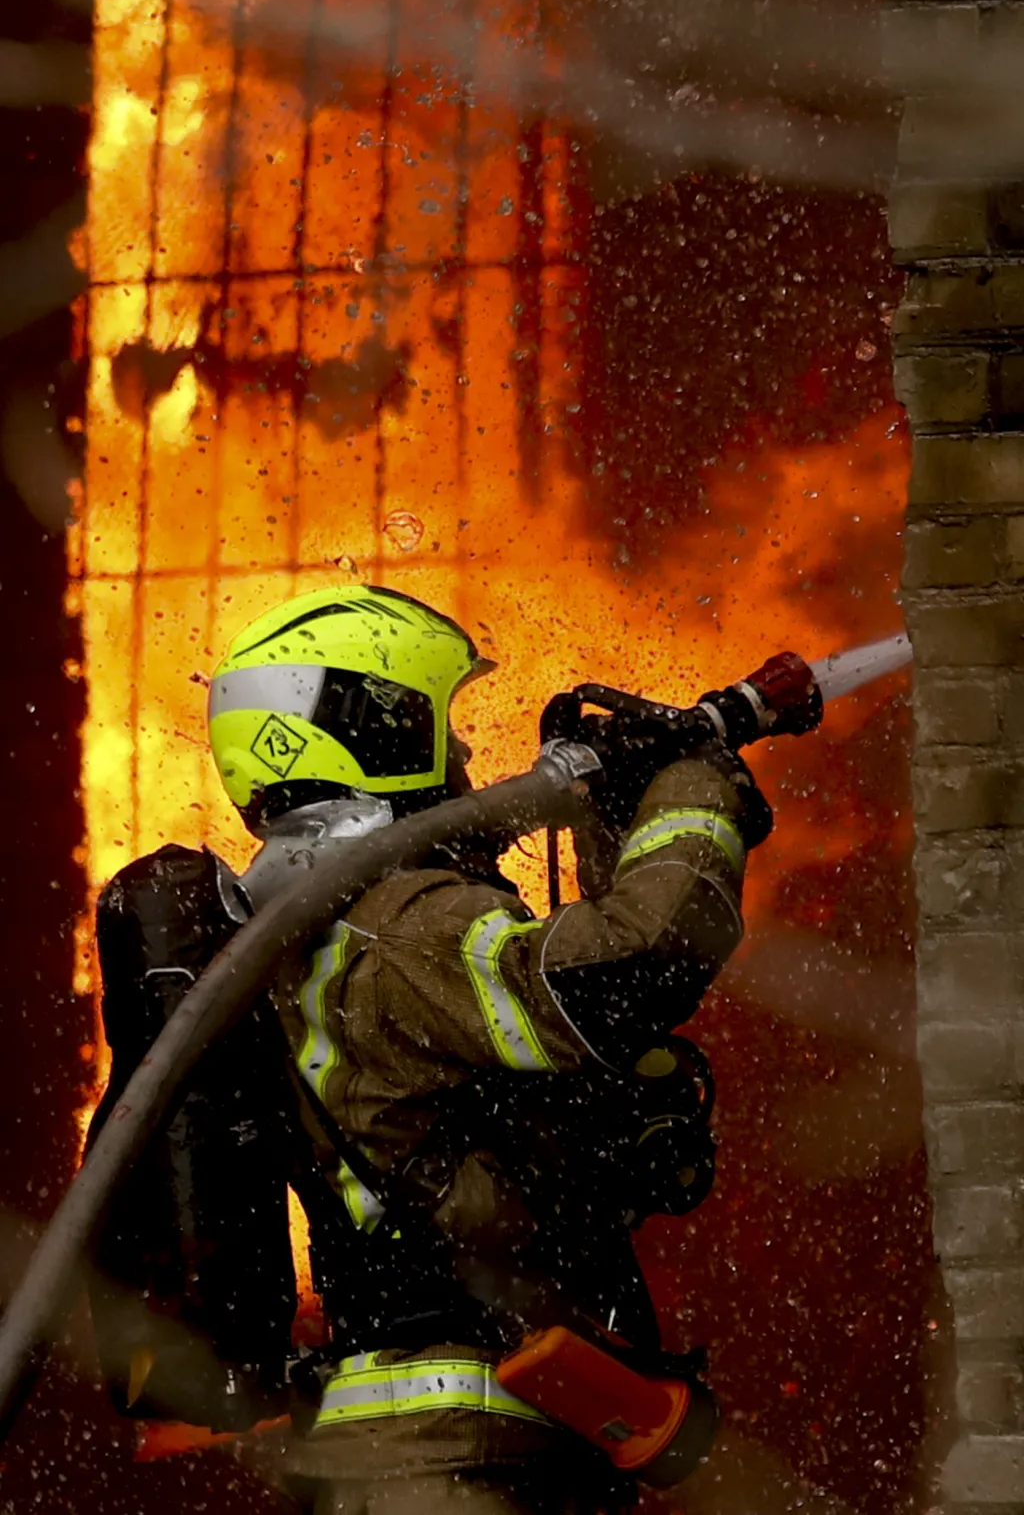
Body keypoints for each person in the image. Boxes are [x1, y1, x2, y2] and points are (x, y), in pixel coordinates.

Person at [90, 583, 771, 1515]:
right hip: (451, 1457)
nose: (466, 756)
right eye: (443, 728)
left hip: (439, 1443)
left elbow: (571, 1041)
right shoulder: (399, 925)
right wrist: (695, 782)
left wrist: (613, 813)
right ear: (378, 733)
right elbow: (629, 967)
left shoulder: (315, 932)